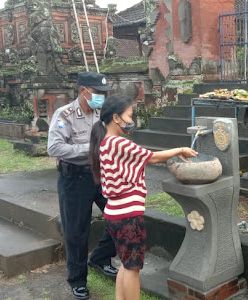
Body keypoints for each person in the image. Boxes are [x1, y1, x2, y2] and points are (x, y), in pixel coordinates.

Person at [88, 94, 197, 300]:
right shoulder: (117, 143)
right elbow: (152, 157)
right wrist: (181, 149)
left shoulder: (105, 142)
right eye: (129, 115)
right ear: (116, 118)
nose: (131, 120)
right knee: (132, 268)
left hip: (115, 213)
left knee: (125, 264)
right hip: (127, 216)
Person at [47, 72, 118, 300]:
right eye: (97, 93)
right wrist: (89, 151)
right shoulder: (64, 115)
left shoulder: (101, 113)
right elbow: (54, 148)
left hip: (101, 175)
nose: (100, 98)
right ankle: (77, 280)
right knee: (77, 232)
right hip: (74, 178)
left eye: (103, 94)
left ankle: (100, 258)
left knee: (119, 216)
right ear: (83, 91)